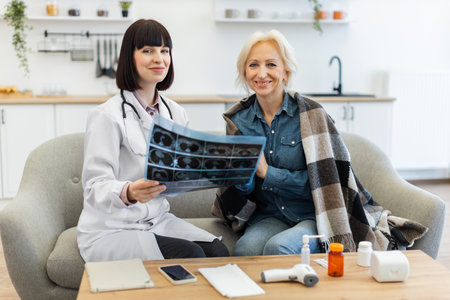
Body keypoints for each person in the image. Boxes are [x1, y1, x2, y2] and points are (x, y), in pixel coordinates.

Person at [212, 29, 387, 256]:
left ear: (285, 71)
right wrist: (241, 176)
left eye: (271, 65)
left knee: (278, 247)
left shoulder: (311, 115)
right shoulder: (238, 121)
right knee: (245, 249)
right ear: (245, 72)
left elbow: (327, 182)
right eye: (253, 64)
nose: (261, 73)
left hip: (312, 214)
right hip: (268, 215)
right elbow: (243, 191)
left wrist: (267, 172)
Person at [77, 19, 229, 262]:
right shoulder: (106, 115)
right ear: (130, 57)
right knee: (191, 255)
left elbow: (182, 169)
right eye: (148, 50)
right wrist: (129, 191)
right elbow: (94, 186)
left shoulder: (176, 113)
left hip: (157, 221)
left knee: (217, 251)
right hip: (112, 227)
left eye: (164, 51)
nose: (159, 59)